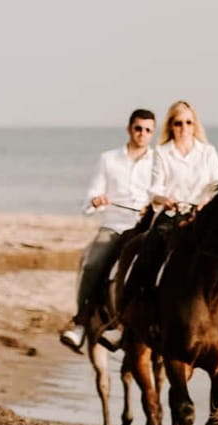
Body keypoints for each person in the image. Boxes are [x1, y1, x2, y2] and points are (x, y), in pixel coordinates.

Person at [60, 108, 156, 352]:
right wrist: (95, 201)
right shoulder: (108, 159)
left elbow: (163, 192)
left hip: (145, 228)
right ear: (129, 129)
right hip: (115, 225)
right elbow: (91, 196)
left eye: (147, 130)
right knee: (93, 264)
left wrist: (153, 207)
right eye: (138, 128)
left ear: (152, 133)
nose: (142, 134)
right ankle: (80, 322)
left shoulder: (158, 161)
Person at [123, 100, 218, 302]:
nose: (184, 128)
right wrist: (164, 199)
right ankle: (131, 308)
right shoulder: (162, 153)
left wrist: (205, 202)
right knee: (148, 252)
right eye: (178, 123)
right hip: (172, 215)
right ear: (171, 126)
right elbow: (155, 188)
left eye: (188, 123)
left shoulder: (208, 152)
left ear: (195, 125)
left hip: (203, 216)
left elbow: (215, 186)